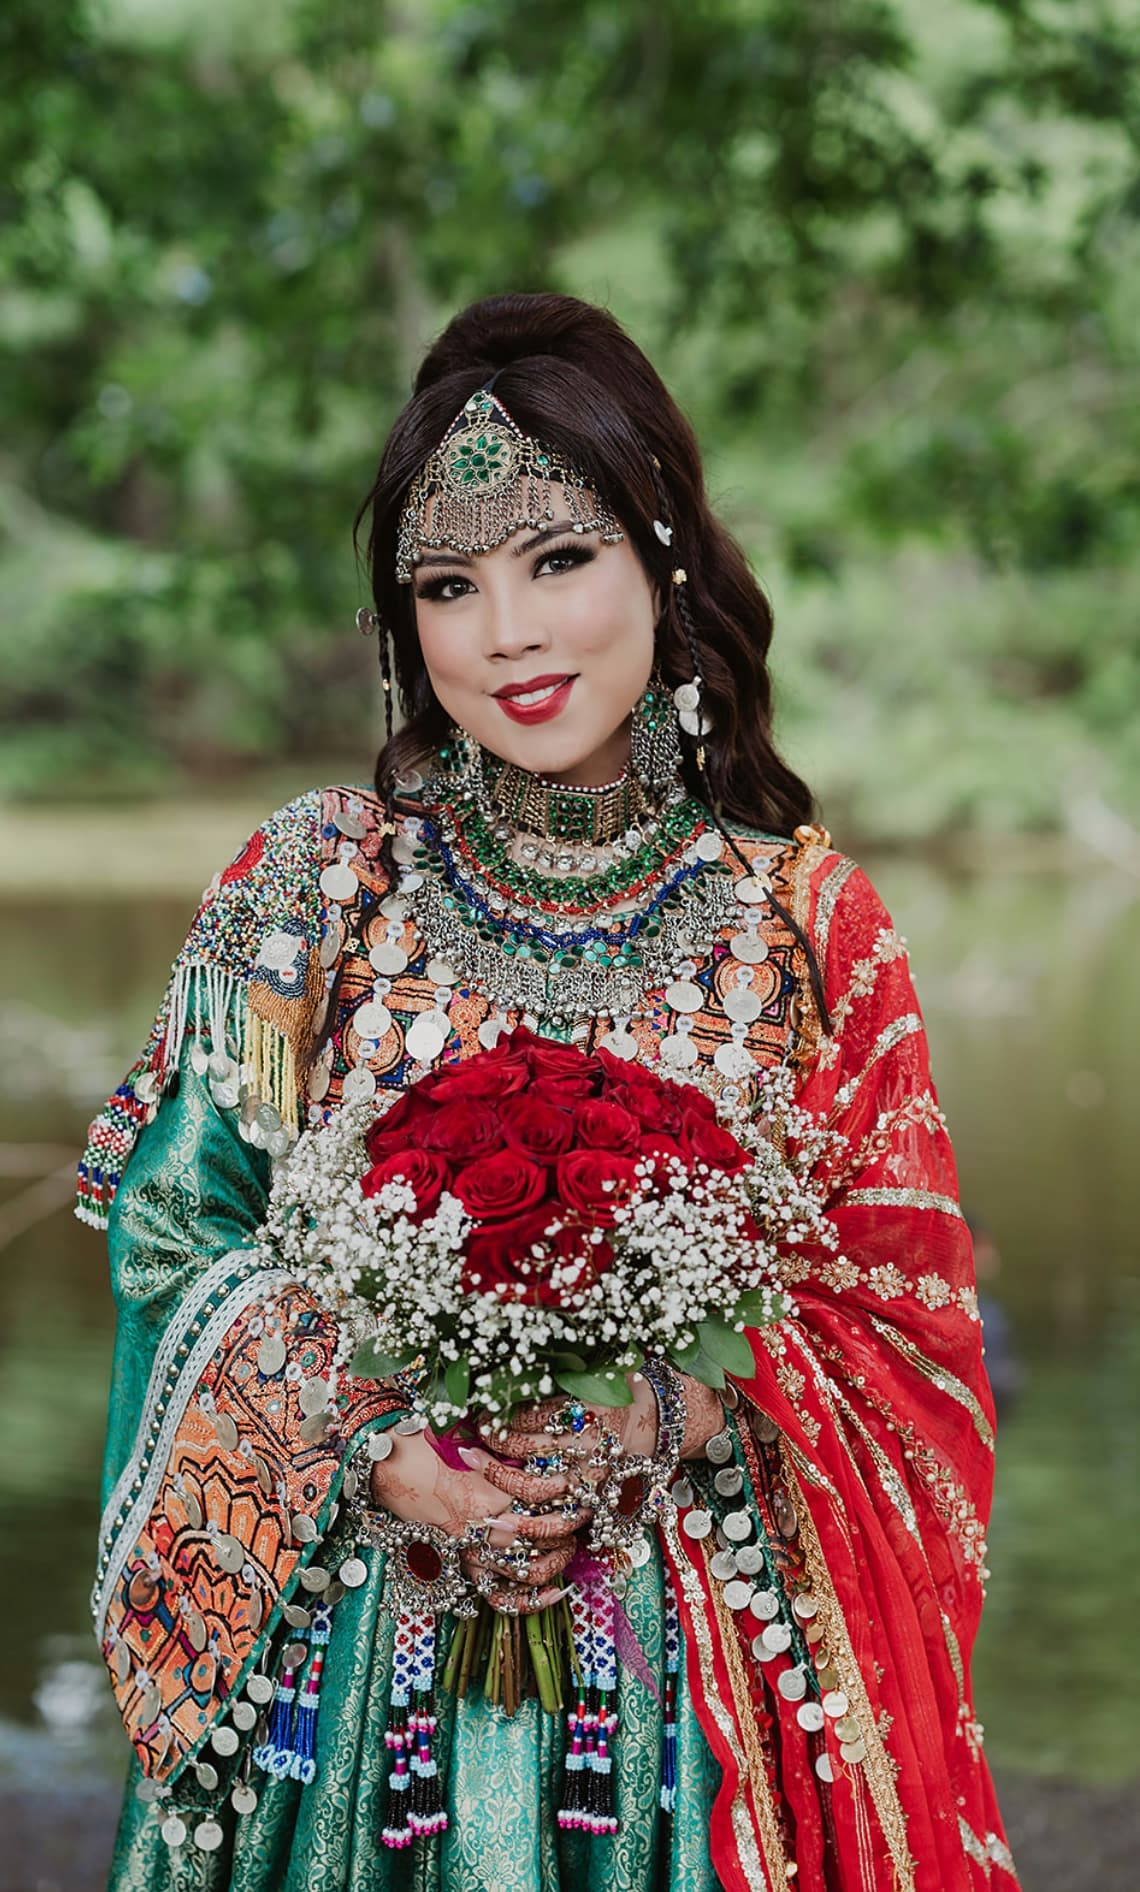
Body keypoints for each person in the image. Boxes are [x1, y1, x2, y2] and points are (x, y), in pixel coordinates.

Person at [79, 293, 1018, 1890]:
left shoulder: (807, 923)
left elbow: (895, 1325)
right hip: (352, 1678)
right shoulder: (308, 887)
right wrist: (370, 1437)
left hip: (690, 1719)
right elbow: (172, 1228)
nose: (506, 632)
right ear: (402, 629)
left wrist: (664, 1408)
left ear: (661, 552)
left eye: (559, 560)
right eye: (448, 586)